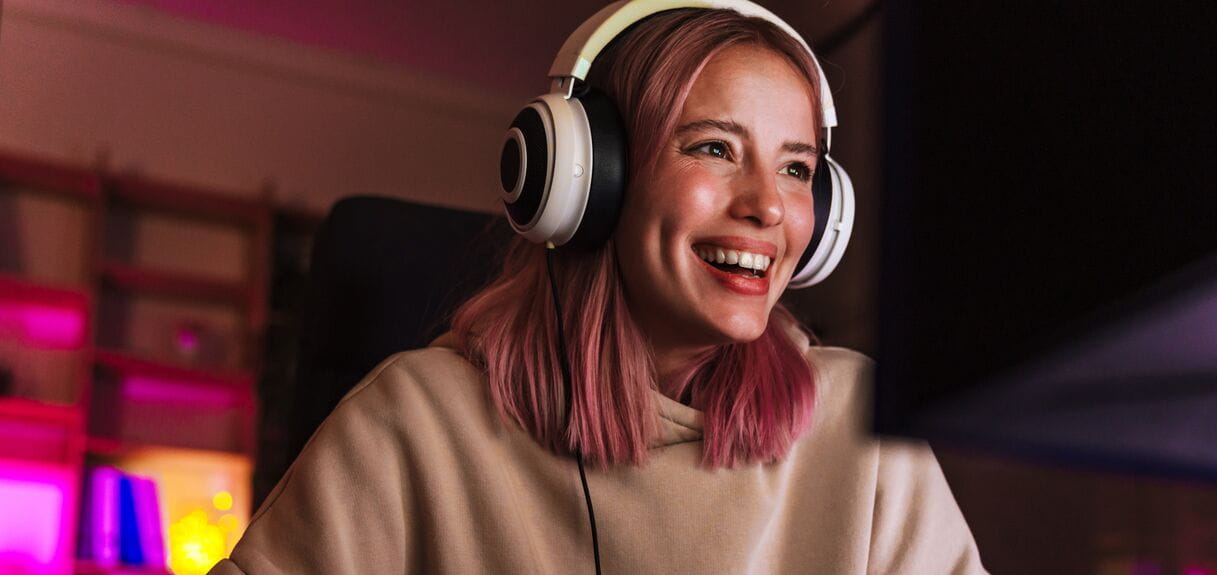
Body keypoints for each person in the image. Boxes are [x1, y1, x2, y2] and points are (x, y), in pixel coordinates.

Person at [210, 2, 985, 574]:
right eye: (715, 147)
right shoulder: (414, 422)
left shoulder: (862, 428)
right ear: (589, 178)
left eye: (796, 168)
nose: (767, 206)